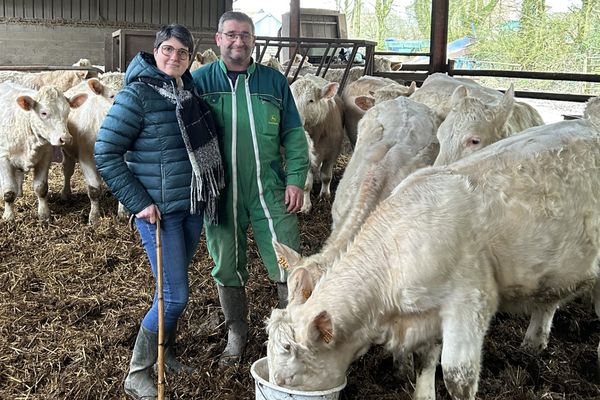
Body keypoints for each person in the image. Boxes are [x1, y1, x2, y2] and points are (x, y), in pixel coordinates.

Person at [94, 24, 224, 399]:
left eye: (183, 53)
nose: (174, 57)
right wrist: (139, 203)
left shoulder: (188, 91)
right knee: (174, 295)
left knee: (172, 289)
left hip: (190, 206)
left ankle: (164, 354)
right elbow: (106, 153)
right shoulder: (137, 94)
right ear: (155, 51)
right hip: (159, 214)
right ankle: (137, 373)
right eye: (168, 49)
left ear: (190, 58)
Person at [192, 11, 309, 366]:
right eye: (230, 35)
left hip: (269, 188)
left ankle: (292, 330)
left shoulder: (274, 82)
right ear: (218, 39)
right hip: (221, 191)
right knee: (226, 262)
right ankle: (236, 332)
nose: (237, 41)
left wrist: (296, 179)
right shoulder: (200, 81)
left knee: (288, 260)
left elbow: (293, 133)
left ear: (253, 40)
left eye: (244, 35)